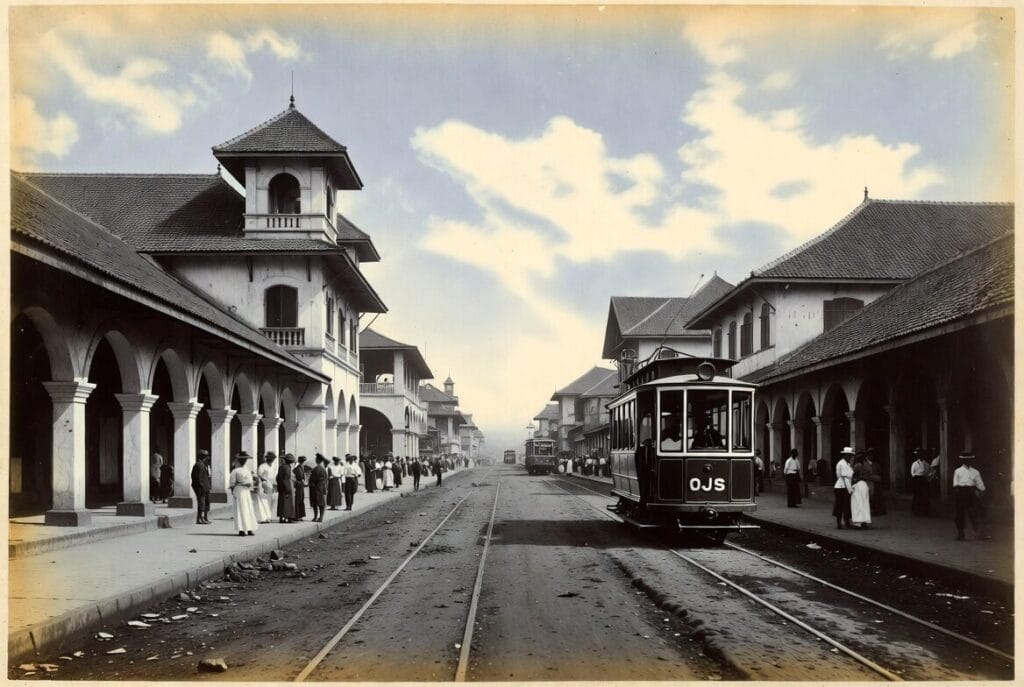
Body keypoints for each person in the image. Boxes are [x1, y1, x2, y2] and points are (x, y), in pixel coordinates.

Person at [953, 452, 989, 540]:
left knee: (975, 512)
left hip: (972, 492)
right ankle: (961, 533)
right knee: (960, 513)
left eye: (969, 459)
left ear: (971, 460)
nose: (967, 461)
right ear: (962, 461)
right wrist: (958, 492)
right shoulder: (958, 471)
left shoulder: (975, 472)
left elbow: (980, 483)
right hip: (961, 491)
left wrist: (981, 490)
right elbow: (955, 483)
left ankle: (979, 533)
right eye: (965, 460)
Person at [229, 452, 257, 536]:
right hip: (239, 490)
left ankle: (249, 528)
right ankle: (241, 529)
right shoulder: (235, 471)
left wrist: (250, 485)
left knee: (248, 509)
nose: (243, 461)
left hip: (246, 491)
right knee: (240, 509)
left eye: (245, 460)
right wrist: (234, 492)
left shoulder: (247, 470)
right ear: (239, 460)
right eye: (242, 460)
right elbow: (232, 483)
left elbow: (251, 481)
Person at [833, 447, 854, 529]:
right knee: (840, 505)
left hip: (844, 486)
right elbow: (844, 478)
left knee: (845, 505)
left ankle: (846, 522)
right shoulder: (842, 464)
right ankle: (840, 523)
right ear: (846, 455)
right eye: (850, 455)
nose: (851, 457)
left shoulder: (847, 464)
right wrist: (850, 489)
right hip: (842, 487)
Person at [190, 449, 212, 524]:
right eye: (205, 456)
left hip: (206, 487)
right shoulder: (198, 465)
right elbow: (197, 478)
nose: (206, 458)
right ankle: (200, 519)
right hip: (201, 488)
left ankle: (205, 517)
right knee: (201, 503)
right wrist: (201, 487)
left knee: (207, 502)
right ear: (202, 457)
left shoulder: (203, 465)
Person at [850, 456, 872, 529]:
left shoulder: (857, 466)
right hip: (864, 485)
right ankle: (864, 522)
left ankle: (858, 523)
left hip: (858, 486)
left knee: (857, 504)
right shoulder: (867, 465)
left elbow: (854, 477)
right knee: (865, 504)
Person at [863, 448, 884, 515]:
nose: (871, 456)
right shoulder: (865, 464)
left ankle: (877, 510)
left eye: (872, 454)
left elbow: (879, 472)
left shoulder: (876, 464)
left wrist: (878, 477)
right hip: (868, 482)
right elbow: (865, 475)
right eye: (870, 454)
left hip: (876, 483)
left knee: (877, 497)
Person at [276, 453, 296, 523]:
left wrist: (280, 486)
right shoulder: (287, 468)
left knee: (281, 503)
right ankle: (288, 518)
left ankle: (281, 518)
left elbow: (278, 478)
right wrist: (288, 489)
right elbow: (286, 479)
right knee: (288, 504)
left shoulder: (281, 467)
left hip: (281, 487)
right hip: (287, 487)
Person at [910, 449, 931, 516]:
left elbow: (929, 471)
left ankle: (923, 511)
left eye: (921, 455)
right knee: (916, 494)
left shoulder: (926, 464)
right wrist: (915, 477)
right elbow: (912, 472)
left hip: (923, 480)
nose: (920, 456)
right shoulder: (914, 463)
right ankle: (915, 510)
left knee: (923, 495)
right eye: (918, 455)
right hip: (917, 479)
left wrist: (925, 477)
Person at [256, 453, 275, 523]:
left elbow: (273, 477)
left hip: (270, 484)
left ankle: (269, 517)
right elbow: (259, 475)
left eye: (272, 458)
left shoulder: (273, 467)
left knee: (271, 501)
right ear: (267, 458)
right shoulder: (262, 466)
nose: (271, 459)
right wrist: (264, 482)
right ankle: (264, 518)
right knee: (263, 501)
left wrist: (272, 485)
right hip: (263, 484)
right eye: (270, 458)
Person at [310, 455, 329, 522]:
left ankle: (315, 517)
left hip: (315, 488)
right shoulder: (323, 469)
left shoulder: (315, 469)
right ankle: (321, 517)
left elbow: (312, 479)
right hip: (321, 488)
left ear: (318, 460)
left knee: (315, 503)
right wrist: (325, 488)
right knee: (321, 503)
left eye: (316, 459)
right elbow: (326, 480)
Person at [293, 456, 308, 520]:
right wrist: (303, 481)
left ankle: (300, 515)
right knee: (298, 500)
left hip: (301, 486)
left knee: (301, 500)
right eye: (304, 461)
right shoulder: (298, 469)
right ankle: (297, 516)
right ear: (302, 462)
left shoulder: (301, 468)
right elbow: (299, 478)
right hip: (298, 486)